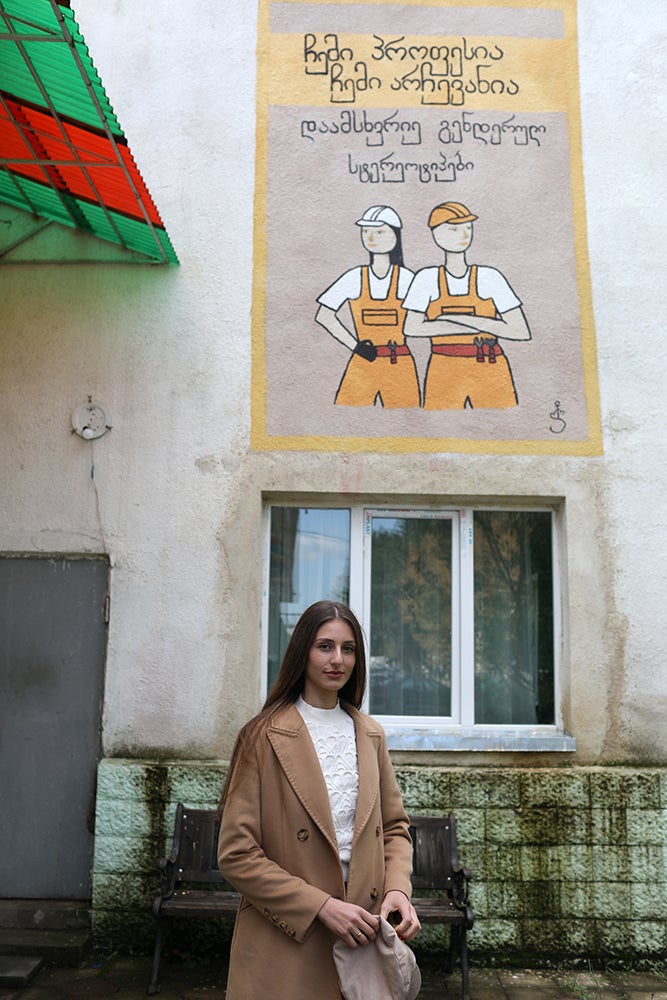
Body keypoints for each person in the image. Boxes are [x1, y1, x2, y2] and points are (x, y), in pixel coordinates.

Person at [217, 600, 421, 1000]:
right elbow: (236, 854)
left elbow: (395, 828)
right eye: (324, 646)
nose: (337, 660)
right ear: (302, 652)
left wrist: (398, 889)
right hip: (288, 938)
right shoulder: (262, 736)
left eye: (348, 649)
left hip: (363, 935)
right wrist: (320, 906)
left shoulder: (370, 734)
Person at [402, 200, 531, 409]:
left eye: (468, 228)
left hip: (490, 366)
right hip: (444, 368)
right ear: (437, 235)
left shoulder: (490, 277)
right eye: (454, 229)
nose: (463, 235)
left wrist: (459, 320)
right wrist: (486, 324)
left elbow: (520, 330)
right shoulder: (426, 278)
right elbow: (412, 327)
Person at [315, 206, 420, 408]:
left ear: (395, 237)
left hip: (398, 363)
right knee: (347, 414)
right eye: (366, 232)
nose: (371, 237)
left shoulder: (407, 279)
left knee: (405, 414)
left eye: (379, 231)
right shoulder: (354, 277)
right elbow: (324, 315)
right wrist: (355, 346)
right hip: (363, 362)